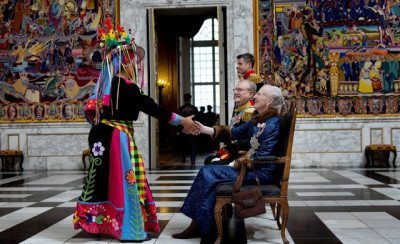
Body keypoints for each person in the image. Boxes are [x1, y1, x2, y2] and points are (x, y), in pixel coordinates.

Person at [73, 20, 199, 242]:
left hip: (100, 135)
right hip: (116, 137)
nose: (136, 66)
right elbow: (152, 107)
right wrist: (182, 121)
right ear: (123, 63)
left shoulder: (104, 84)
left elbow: (91, 111)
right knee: (125, 179)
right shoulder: (127, 86)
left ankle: (100, 223)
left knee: (101, 178)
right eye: (133, 62)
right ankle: (128, 229)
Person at [171, 84, 285, 241]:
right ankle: (201, 224)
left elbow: (263, 157)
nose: (255, 96)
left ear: (269, 100)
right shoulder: (258, 118)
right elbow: (233, 132)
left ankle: (199, 225)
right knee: (208, 173)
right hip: (249, 167)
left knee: (207, 172)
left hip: (259, 172)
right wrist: (204, 129)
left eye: (259, 94)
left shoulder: (272, 124)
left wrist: (238, 162)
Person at [204, 79, 256, 165]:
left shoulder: (249, 112)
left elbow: (247, 140)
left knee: (211, 162)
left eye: (240, 90)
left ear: (250, 94)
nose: (235, 92)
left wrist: (229, 149)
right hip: (233, 149)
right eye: (235, 89)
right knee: (209, 159)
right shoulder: (239, 109)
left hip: (241, 155)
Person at [178, 93, 198, 164]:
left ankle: (183, 159)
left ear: (184, 99)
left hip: (183, 129)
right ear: (190, 98)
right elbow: (196, 120)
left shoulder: (180, 109)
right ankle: (192, 160)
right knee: (193, 144)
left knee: (183, 144)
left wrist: (178, 130)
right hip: (192, 128)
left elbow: (179, 120)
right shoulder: (194, 108)